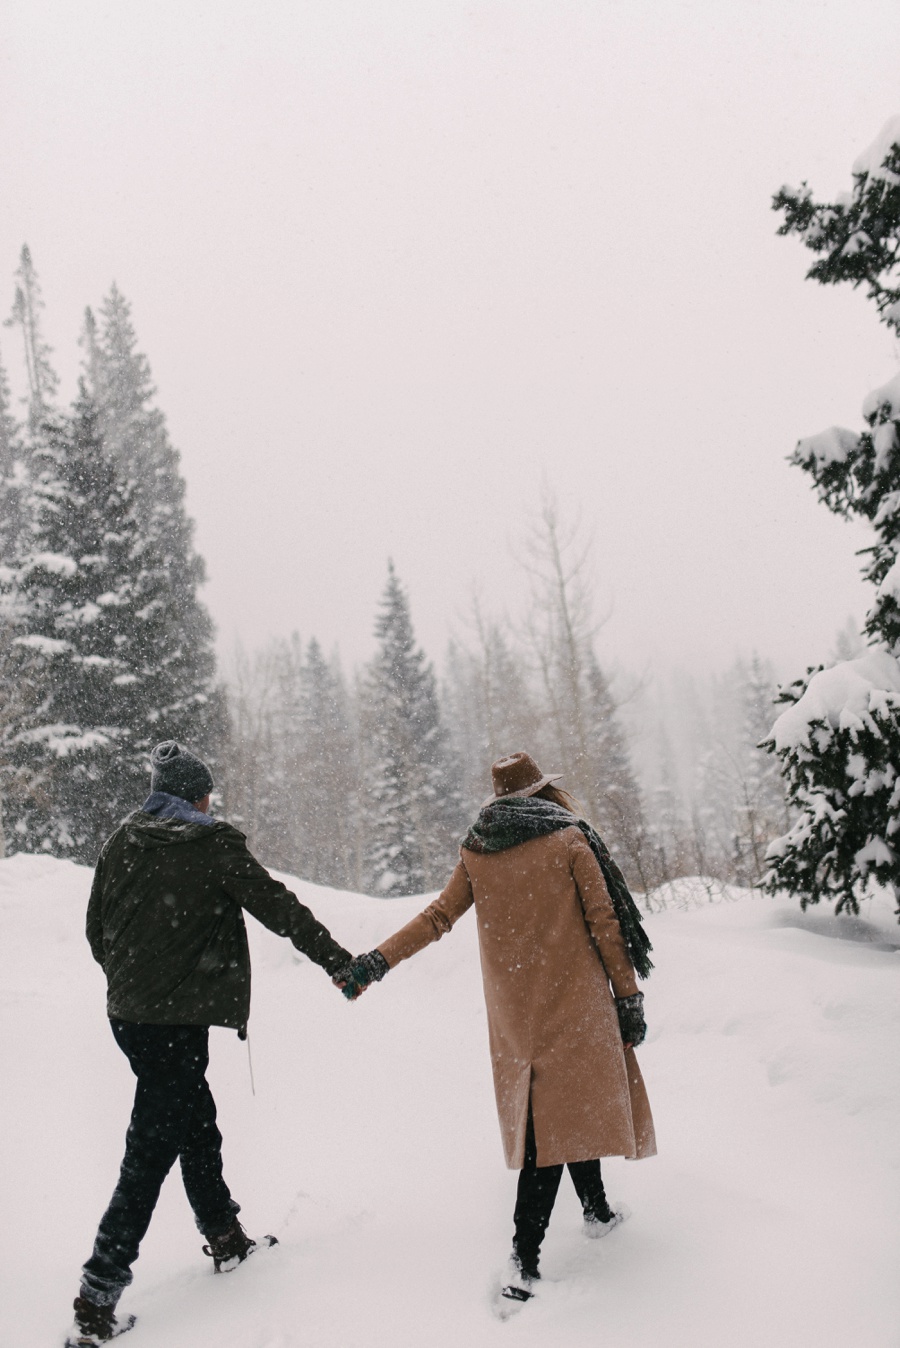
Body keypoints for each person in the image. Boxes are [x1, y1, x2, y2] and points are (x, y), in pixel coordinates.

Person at [335, 751, 656, 1306]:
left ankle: (596, 1210)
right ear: (542, 794)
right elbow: (605, 925)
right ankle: (522, 1260)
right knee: (550, 1134)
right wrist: (627, 996)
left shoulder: (478, 851)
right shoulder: (569, 840)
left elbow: (437, 918)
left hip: (518, 1016)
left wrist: (378, 961)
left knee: (558, 1112)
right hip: (576, 1005)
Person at [68, 741, 354, 1347]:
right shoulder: (211, 843)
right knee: (147, 1155)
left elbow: (96, 928)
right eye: (206, 794)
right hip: (175, 1025)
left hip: (130, 1020)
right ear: (195, 796)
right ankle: (96, 1299)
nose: (209, 803)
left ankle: (224, 1236)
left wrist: (133, 985)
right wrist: (338, 962)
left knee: (196, 1122)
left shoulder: (123, 839)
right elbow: (279, 907)